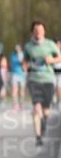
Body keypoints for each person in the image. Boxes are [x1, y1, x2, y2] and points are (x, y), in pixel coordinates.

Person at [22, 20, 59, 148]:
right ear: (32, 32)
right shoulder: (28, 46)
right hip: (34, 80)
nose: (38, 32)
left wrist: (52, 60)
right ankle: (38, 137)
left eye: (40, 30)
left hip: (48, 79)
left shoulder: (50, 44)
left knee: (46, 111)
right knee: (37, 108)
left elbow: (59, 57)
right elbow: (25, 61)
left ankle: (44, 123)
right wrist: (24, 66)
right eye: (36, 30)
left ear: (44, 31)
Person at [8, 44, 26, 110]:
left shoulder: (24, 54)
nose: (17, 49)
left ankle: (22, 103)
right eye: (16, 48)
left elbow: (24, 63)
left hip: (22, 74)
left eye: (18, 48)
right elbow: (11, 63)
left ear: (20, 48)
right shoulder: (12, 55)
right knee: (14, 90)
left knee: (22, 90)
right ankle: (15, 104)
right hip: (15, 74)